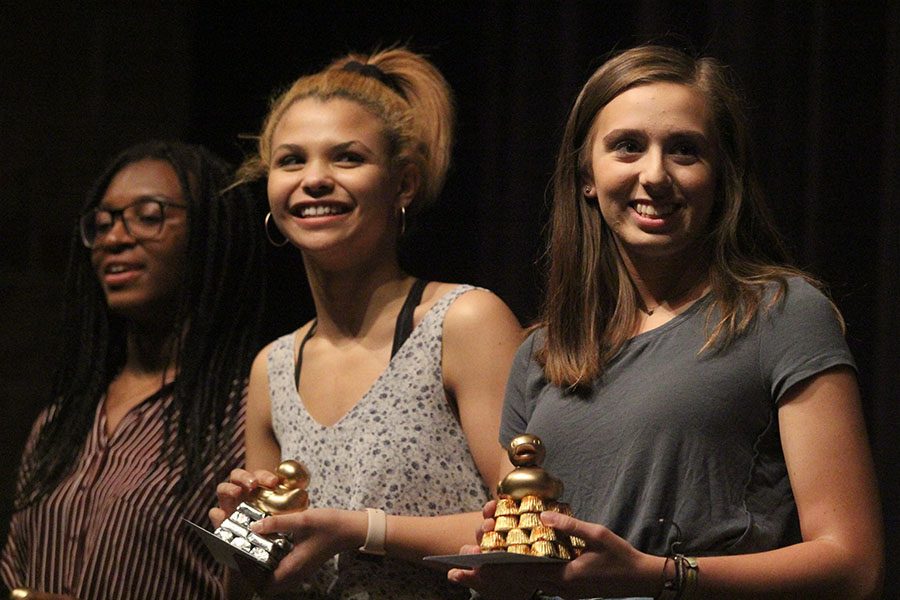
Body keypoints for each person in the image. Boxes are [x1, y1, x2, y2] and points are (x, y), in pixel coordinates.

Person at [448, 45, 884, 599]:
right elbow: (538, 558)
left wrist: (658, 575)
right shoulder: (542, 353)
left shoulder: (782, 313)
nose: (654, 175)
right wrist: (508, 580)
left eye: (684, 150)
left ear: (721, 176)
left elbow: (853, 565)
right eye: (627, 147)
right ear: (587, 173)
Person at [210, 47, 523, 599]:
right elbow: (251, 588)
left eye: (347, 158)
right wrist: (246, 537)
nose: (314, 179)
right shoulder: (274, 367)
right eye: (290, 161)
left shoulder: (463, 322)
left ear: (402, 184)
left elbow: (530, 531)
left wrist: (359, 530)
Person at [1, 141, 268, 599]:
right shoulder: (60, 424)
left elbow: (259, 584)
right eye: (101, 224)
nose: (114, 238)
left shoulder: (249, 416)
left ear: (209, 233)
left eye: (148, 215)